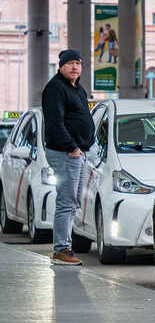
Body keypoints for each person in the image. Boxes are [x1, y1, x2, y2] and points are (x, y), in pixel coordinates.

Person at [42, 49, 95, 266]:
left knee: (73, 202)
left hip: (78, 153)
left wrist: (86, 146)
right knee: (66, 201)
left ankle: (66, 245)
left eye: (78, 63)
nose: (75, 67)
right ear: (61, 66)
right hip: (66, 153)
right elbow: (55, 122)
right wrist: (72, 147)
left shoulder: (77, 88)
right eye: (70, 63)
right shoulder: (55, 89)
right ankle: (61, 250)